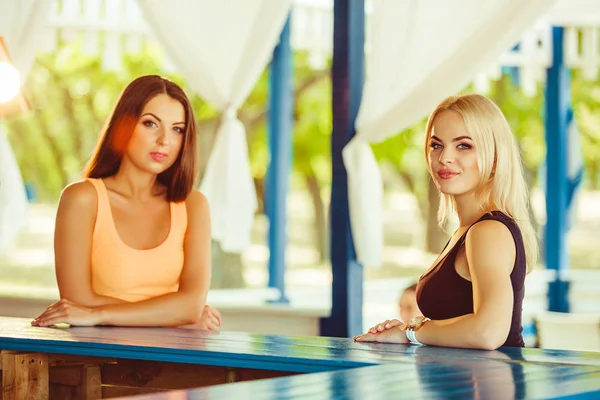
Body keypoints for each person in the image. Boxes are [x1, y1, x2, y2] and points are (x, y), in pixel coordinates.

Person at [32, 75, 221, 330]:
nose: (164, 140)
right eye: (151, 124)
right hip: (97, 359)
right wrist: (173, 317)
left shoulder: (193, 205)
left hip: (179, 360)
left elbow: (190, 306)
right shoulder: (82, 199)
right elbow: (76, 301)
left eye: (177, 129)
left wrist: (99, 314)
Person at [354, 94, 538, 349]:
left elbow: (488, 333)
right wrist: (408, 330)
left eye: (463, 145)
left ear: (494, 157)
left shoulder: (487, 231)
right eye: (436, 145)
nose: (444, 158)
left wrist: (411, 331)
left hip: (489, 387)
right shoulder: (465, 232)